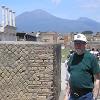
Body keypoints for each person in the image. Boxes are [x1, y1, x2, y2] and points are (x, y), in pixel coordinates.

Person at [66, 33, 100, 100]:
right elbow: (70, 77)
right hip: (73, 96)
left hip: (86, 96)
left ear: (85, 44)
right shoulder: (72, 57)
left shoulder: (91, 58)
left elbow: (97, 79)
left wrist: (95, 97)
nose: (77, 45)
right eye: (76, 43)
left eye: (80, 43)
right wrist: (67, 95)